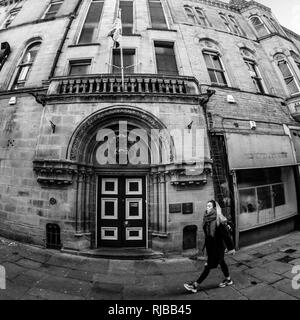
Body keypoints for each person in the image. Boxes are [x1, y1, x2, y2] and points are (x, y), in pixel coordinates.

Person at [184, 200, 235, 293]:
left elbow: (226, 236)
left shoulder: (218, 220)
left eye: (210, 206)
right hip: (211, 247)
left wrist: (231, 248)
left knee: (208, 266)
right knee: (222, 262)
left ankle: (195, 285)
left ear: (214, 208)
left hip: (218, 248)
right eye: (207, 206)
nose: (207, 207)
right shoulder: (207, 219)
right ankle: (228, 280)